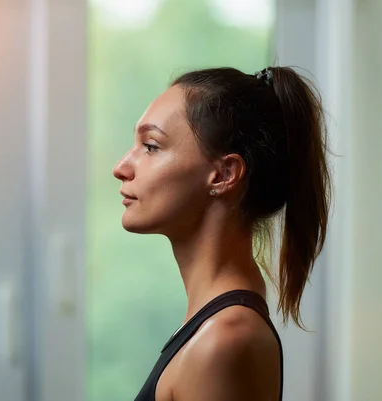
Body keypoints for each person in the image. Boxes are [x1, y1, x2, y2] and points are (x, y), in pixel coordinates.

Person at [112, 66, 331, 401]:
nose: (122, 167)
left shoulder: (224, 341)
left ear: (223, 174)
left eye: (151, 146)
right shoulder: (211, 328)